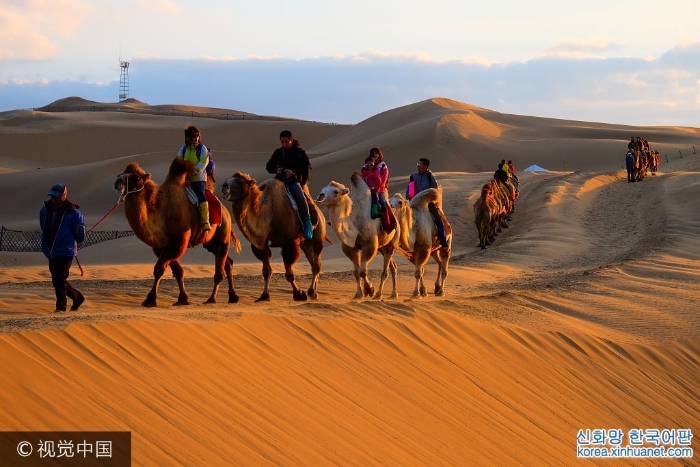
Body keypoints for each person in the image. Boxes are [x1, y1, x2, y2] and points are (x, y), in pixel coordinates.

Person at [40, 183, 86, 313]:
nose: (54, 199)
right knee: (57, 279)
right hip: (51, 250)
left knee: (59, 278)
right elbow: (43, 227)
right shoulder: (44, 209)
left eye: (56, 196)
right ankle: (77, 297)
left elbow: (80, 231)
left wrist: (79, 240)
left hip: (66, 250)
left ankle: (61, 307)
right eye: (52, 196)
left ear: (63, 196)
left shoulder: (73, 212)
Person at [266, 130, 313, 240]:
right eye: (282, 142)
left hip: (293, 181)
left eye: (286, 142)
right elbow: (269, 166)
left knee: (300, 198)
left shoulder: (300, 153)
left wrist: (294, 173)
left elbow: (306, 168)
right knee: (265, 196)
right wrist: (276, 170)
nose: (284, 144)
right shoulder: (278, 152)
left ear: (291, 140)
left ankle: (307, 222)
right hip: (279, 181)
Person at [406, 157, 449, 248]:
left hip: (427, 203)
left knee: (438, 219)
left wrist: (432, 201)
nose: (418, 166)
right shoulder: (413, 176)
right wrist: (409, 199)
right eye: (417, 164)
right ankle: (404, 241)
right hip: (414, 202)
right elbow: (410, 190)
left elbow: (435, 191)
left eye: (420, 164)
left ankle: (442, 239)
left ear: (425, 166)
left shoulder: (430, 177)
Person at [178, 125, 211, 231]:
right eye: (193, 136)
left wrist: (192, 171)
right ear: (188, 138)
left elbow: (203, 163)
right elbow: (179, 161)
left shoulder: (202, 149)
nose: (196, 138)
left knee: (201, 195)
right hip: (184, 179)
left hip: (198, 179)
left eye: (197, 135)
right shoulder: (183, 149)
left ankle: (205, 221)